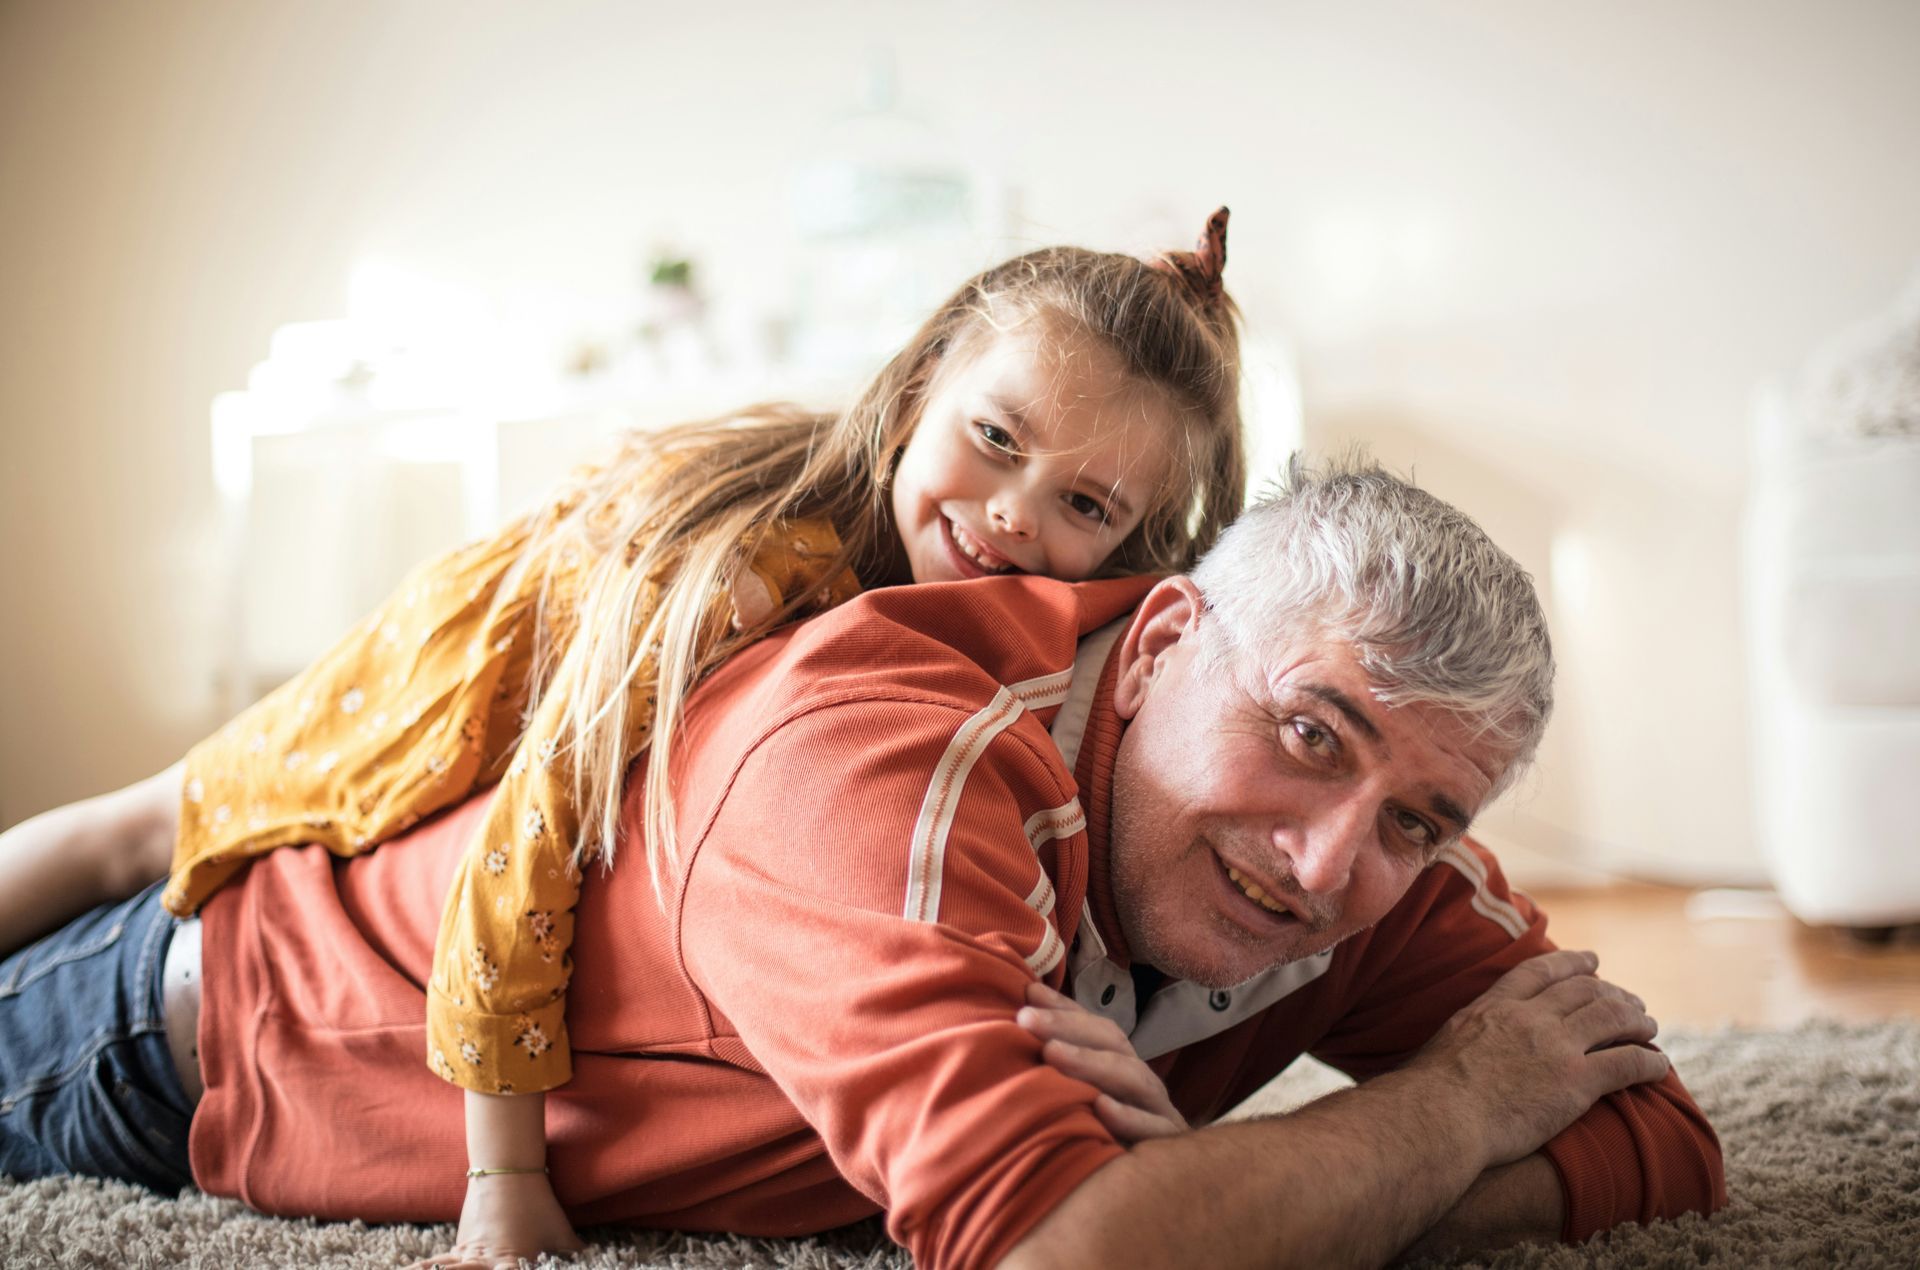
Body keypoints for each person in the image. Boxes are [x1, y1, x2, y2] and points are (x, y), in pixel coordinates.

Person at [0, 455, 1725, 1267]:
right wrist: (1446, 1114)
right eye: (1310, 734)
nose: (1329, 858)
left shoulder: (1362, 849)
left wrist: (1272, 1198)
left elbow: (1657, 1133)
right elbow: (1070, 1255)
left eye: (1421, 817)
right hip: (182, 1030)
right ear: (1156, 646)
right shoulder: (876, 756)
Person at [0, 211, 1248, 1265]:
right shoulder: (759, 581)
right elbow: (529, 839)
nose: (1013, 516)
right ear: (921, 387)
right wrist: (504, 1173)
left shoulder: (1024, 618)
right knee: (146, 828)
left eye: (1083, 502)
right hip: (440, 690)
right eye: (996, 440)